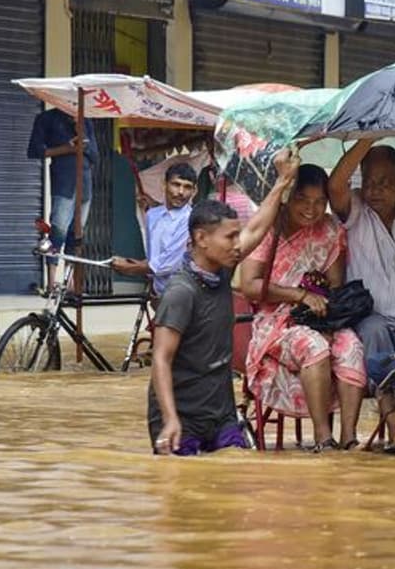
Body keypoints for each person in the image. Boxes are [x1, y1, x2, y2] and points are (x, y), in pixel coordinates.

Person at [149, 153, 294, 456]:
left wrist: (283, 181)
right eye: (230, 237)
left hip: (220, 414)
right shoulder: (180, 292)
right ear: (201, 238)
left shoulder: (222, 269)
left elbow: (257, 229)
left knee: (236, 477)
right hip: (181, 419)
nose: (238, 243)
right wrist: (170, 420)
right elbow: (160, 359)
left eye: (236, 235)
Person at [240, 165, 367, 452]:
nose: (311, 209)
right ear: (288, 197)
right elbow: (248, 285)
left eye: (319, 202)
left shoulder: (331, 230)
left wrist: (326, 314)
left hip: (318, 317)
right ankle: (324, 438)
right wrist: (298, 295)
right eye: (303, 200)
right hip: (275, 324)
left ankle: (349, 437)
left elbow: (334, 286)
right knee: (313, 347)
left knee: (351, 346)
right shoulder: (268, 229)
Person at [327, 139, 395, 454]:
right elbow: (335, 183)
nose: (374, 191)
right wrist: (369, 137)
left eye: (384, 183)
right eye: (369, 182)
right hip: (371, 317)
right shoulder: (355, 209)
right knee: (374, 332)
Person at [27, 108, 97, 290]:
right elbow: (34, 150)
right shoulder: (47, 118)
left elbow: (95, 155)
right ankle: (51, 281)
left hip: (85, 183)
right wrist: (67, 148)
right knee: (58, 231)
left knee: (77, 234)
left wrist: (79, 130)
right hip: (64, 181)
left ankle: (71, 282)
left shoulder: (85, 120)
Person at [111, 162, 198, 294]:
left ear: (194, 191)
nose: (181, 192)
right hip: (158, 291)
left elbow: (166, 265)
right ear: (164, 184)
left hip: (182, 293)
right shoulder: (153, 215)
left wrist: (130, 268)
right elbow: (153, 257)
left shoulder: (189, 219)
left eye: (187, 187)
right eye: (176, 184)